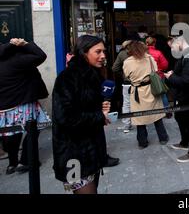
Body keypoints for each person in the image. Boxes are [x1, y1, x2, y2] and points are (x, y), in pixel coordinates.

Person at [52, 35, 111, 194]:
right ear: (84, 52)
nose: (103, 56)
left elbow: (86, 106)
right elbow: (65, 117)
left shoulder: (94, 75)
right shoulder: (67, 78)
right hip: (73, 153)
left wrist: (101, 108)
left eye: (104, 51)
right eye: (98, 51)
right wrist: (99, 116)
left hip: (92, 151)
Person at [0, 38, 50, 175]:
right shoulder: (18, 60)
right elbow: (41, 55)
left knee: (11, 135)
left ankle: (12, 164)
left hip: (4, 108)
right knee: (33, 129)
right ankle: (26, 161)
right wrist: (25, 44)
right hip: (23, 104)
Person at [123, 40, 169, 149]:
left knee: (139, 118)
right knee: (156, 115)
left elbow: (127, 76)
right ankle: (163, 138)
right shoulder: (149, 58)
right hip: (150, 89)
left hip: (137, 91)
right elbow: (156, 70)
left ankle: (142, 142)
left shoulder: (128, 62)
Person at [164, 36, 189, 163]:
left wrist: (171, 77)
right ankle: (184, 142)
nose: (172, 51)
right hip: (182, 95)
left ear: (178, 42)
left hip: (188, 95)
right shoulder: (184, 55)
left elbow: (186, 81)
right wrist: (172, 75)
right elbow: (181, 74)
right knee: (180, 117)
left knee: (188, 122)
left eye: (173, 47)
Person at [112, 40, 133, 133]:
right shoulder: (139, 53)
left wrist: (123, 74)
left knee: (127, 103)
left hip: (127, 82)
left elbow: (114, 68)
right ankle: (140, 123)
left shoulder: (122, 54)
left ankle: (127, 124)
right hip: (140, 82)